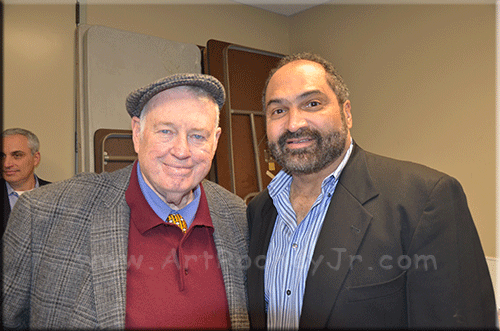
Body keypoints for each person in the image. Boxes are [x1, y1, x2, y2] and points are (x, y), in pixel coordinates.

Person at [247, 53, 497, 329]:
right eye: (278, 110)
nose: (294, 124)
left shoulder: (425, 199)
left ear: (347, 113)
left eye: (312, 104)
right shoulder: (260, 210)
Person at [3, 73, 250, 329]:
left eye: (198, 136)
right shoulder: (45, 213)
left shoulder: (237, 216)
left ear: (216, 141)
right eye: (166, 131)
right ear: (136, 133)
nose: (182, 151)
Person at [1, 128, 50, 236]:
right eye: (2, 156)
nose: (6, 164)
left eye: (17, 155)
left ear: (36, 159)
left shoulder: (57, 195)